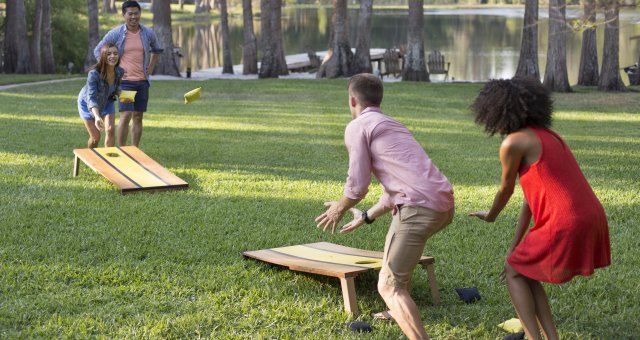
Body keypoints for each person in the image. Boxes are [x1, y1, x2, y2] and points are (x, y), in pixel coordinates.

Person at [468, 77, 611, 340]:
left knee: (514, 272)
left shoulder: (513, 143)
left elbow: (506, 190)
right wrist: (515, 244)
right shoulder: (549, 136)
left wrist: (490, 216)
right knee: (525, 272)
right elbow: (529, 199)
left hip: (566, 220)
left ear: (495, 111)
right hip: (590, 215)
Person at [315, 73, 455, 340]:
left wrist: (340, 208)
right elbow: (397, 190)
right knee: (395, 246)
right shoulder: (392, 125)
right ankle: (397, 310)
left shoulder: (358, 126)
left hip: (418, 208)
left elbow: (357, 185)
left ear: (352, 100)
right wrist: (366, 216)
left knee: (389, 286)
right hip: (443, 205)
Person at [94, 0, 162, 147]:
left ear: (140, 14)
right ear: (124, 15)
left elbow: (157, 50)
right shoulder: (116, 33)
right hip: (124, 82)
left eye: (136, 13)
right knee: (126, 115)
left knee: (138, 116)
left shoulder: (148, 33)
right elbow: (98, 50)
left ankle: (134, 151)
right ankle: (123, 150)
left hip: (142, 81)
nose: (133, 17)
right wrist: (109, 69)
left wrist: (150, 68)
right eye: (130, 14)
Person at [77, 43, 124, 148]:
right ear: (103, 56)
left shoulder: (119, 72)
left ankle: (108, 161)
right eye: (109, 54)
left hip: (107, 101)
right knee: (95, 138)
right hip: (87, 103)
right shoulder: (94, 74)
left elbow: (115, 88)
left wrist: (125, 96)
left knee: (111, 129)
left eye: (115, 53)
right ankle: (92, 159)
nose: (112, 56)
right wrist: (97, 116)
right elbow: (91, 97)